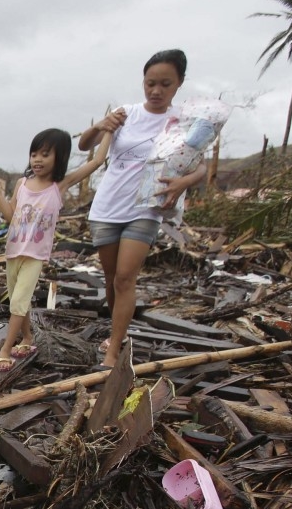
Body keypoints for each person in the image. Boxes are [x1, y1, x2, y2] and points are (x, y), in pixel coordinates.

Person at [78, 49, 207, 370]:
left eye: (165, 84)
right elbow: (84, 144)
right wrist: (100, 126)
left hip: (146, 207)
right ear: (143, 81)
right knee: (110, 280)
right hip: (108, 206)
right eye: (150, 83)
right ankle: (116, 332)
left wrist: (181, 184)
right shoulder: (126, 114)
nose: (156, 91)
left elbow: (200, 166)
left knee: (125, 278)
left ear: (179, 84)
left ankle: (112, 353)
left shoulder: (182, 123)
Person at [0, 128, 112, 373]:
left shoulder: (59, 185)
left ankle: (5, 349)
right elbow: (11, 216)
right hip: (13, 251)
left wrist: (108, 131)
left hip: (35, 254)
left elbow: (96, 161)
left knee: (19, 303)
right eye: (34, 154)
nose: (37, 159)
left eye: (44, 154)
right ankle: (28, 338)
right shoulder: (21, 183)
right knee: (17, 301)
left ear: (59, 157)